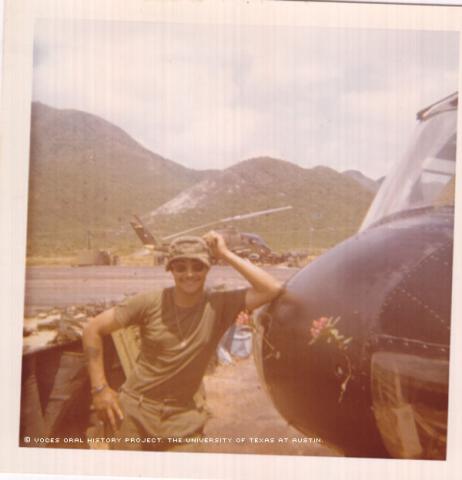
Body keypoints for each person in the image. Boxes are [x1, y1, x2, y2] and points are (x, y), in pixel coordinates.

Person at [82, 230, 282, 450]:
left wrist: (224, 253)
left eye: (197, 266)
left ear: (208, 268)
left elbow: (272, 288)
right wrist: (99, 389)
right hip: (134, 413)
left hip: (185, 417)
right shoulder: (149, 302)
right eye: (181, 267)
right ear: (171, 270)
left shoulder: (219, 306)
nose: (189, 274)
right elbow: (93, 328)